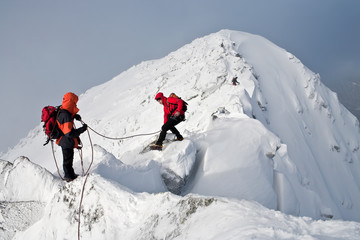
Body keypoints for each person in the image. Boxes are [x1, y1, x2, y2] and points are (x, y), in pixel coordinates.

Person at [55, 92, 87, 182]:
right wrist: (82, 129)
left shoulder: (63, 111)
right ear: (71, 102)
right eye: (74, 103)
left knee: (68, 158)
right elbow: (69, 133)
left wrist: (74, 116)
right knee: (68, 159)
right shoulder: (66, 115)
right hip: (66, 141)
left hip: (64, 140)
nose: (75, 105)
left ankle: (70, 174)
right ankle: (68, 176)